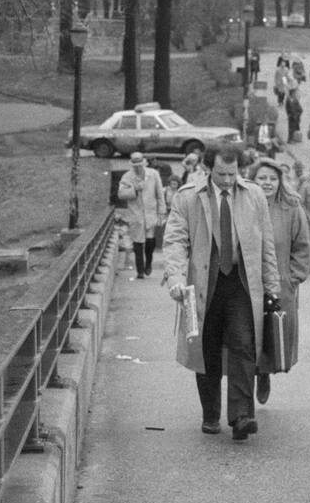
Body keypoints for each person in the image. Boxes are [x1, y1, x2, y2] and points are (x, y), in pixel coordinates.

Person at [163, 143, 281, 440]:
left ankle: (242, 415)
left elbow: (266, 243)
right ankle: (211, 412)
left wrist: (272, 287)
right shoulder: (188, 197)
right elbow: (176, 240)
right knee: (207, 347)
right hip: (204, 282)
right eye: (221, 174)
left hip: (240, 282)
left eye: (232, 173)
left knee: (244, 343)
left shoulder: (253, 195)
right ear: (208, 168)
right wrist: (176, 276)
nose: (228, 180)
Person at [249, 157, 310, 405]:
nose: (267, 183)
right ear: (252, 180)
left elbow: (302, 246)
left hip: (281, 285)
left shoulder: (292, 207)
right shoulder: (243, 205)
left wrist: (293, 278)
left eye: (272, 178)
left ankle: (263, 373)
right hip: (248, 284)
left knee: (273, 334)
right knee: (246, 335)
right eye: (262, 178)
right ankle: (250, 376)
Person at [117, 152, 166, 280]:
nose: (138, 167)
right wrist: (134, 190)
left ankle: (148, 262)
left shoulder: (153, 174)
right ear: (132, 165)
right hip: (136, 214)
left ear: (144, 163)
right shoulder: (127, 177)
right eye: (135, 165)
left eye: (140, 165)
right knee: (138, 241)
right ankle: (139, 270)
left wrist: (162, 212)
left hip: (150, 212)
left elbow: (160, 194)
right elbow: (121, 194)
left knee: (150, 241)